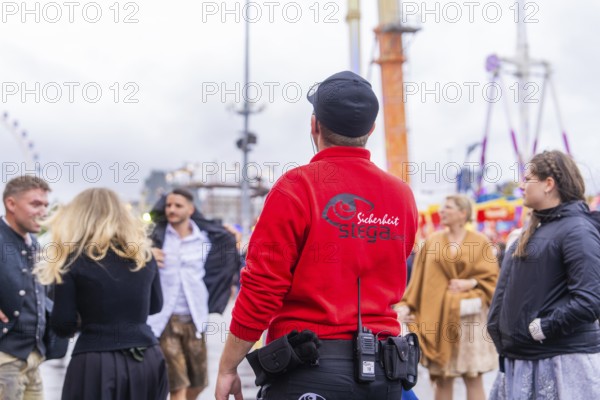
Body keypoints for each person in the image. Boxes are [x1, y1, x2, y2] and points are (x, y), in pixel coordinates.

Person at [215, 70, 419, 400]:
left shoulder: (296, 187)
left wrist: (228, 366)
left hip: (307, 372)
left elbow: (262, 287)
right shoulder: (402, 195)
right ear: (371, 129)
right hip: (383, 372)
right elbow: (397, 264)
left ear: (315, 126)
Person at [34, 188, 168, 400]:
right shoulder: (143, 255)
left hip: (96, 359)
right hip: (146, 356)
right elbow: (155, 306)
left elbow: (63, 324)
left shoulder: (72, 259)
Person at [487, 150, 600, 399]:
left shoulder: (577, 230)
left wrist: (543, 327)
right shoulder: (534, 229)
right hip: (523, 359)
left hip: (559, 361)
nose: (521, 185)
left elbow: (590, 300)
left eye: (527, 179)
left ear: (549, 184)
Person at [398, 194, 498, 400]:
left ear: (463, 214)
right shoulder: (432, 242)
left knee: (473, 376)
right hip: (438, 317)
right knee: (442, 378)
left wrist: (471, 283)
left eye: (448, 208)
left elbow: (493, 278)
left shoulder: (479, 242)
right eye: (442, 208)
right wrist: (408, 306)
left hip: (469, 319)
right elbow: (419, 281)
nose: (442, 211)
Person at [148, 188, 239, 400]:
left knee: (198, 383)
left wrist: (230, 236)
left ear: (191, 209)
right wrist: (146, 253)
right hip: (164, 320)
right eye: (168, 205)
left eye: (178, 206)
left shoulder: (208, 237)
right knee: (177, 384)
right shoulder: (155, 237)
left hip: (196, 319)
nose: (171, 210)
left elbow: (227, 258)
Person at [0, 176, 51, 400]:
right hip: (5, 358)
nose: (43, 211)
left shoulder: (34, 243)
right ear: (11, 204)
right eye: (35, 204)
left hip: (33, 358)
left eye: (46, 205)